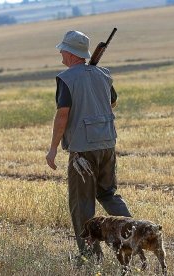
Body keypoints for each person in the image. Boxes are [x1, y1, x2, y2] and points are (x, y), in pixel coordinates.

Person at [45, 30, 131, 262]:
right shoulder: (103, 74)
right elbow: (112, 102)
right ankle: (133, 234)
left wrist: (53, 148)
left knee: (82, 204)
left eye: (63, 49)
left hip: (83, 151)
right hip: (107, 145)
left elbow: (62, 116)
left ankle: (90, 256)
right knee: (108, 194)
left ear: (70, 53)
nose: (60, 52)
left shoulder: (67, 78)